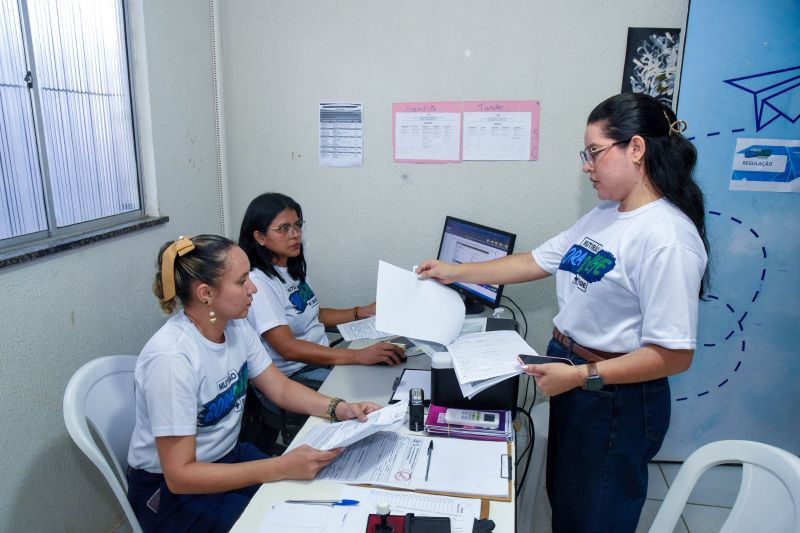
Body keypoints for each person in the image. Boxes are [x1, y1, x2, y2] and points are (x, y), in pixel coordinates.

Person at [417, 93, 709, 532]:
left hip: (615, 394)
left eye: (594, 152)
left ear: (635, 148)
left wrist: (579, 375)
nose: (586, 165)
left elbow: (674, 354)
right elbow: (533, 261)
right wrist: (455, 271)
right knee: (569, 502)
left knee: (596, 515)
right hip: (577, 373)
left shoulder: (667, 237)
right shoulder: (605, 216)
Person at [126, 235, 380, 532]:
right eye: (242, 281)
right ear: (206, 293)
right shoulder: (171, 359)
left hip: (226, 457)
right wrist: (278, 467)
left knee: (314, 491)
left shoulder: (234, 325)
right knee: (283, 521)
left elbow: (280, 388)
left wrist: (340, 408)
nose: (253, 288)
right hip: (173, 493)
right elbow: (180, 476)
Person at [237, 193, 404, 425]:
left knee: (385, 379)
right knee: (369, 404)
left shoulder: (289, 267)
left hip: (318, 362)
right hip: (294, 376)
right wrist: (357, 356)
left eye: (297, 225)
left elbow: (313, 314)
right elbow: (288, 348)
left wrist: (360, 312)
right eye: (283, 228)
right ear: (260, 237)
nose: (295, 234)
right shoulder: (260, 283)